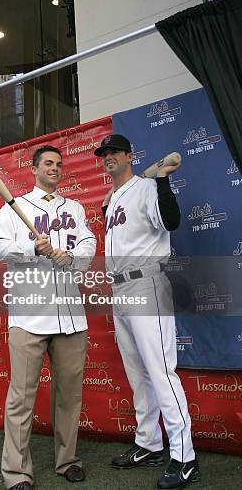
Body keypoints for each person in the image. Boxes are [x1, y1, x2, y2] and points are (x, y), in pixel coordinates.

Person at [0, 145, 96, 490]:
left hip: (71, 319)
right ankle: (17, 473)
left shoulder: (74, 208)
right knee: (21, 397)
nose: (55, 168)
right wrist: (31, 248)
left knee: (69, 396)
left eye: (59, 164)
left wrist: (70, 256)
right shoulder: (15, 206)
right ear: (34, 169)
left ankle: (67, 461)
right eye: (48, 163)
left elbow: (90, 246)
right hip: (29, 316)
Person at [94, 134, 199, 490]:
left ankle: (185, 457)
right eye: (104, 153)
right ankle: (150, 444)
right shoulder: (114, 197)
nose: (108, 157)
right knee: (138, 373)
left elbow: (170, 221)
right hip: (118, 288)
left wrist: (163, 181)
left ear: (129, 156)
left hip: (145, 282)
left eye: (114, 152)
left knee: (160, 371)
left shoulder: (147, 186)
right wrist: (109, 203)